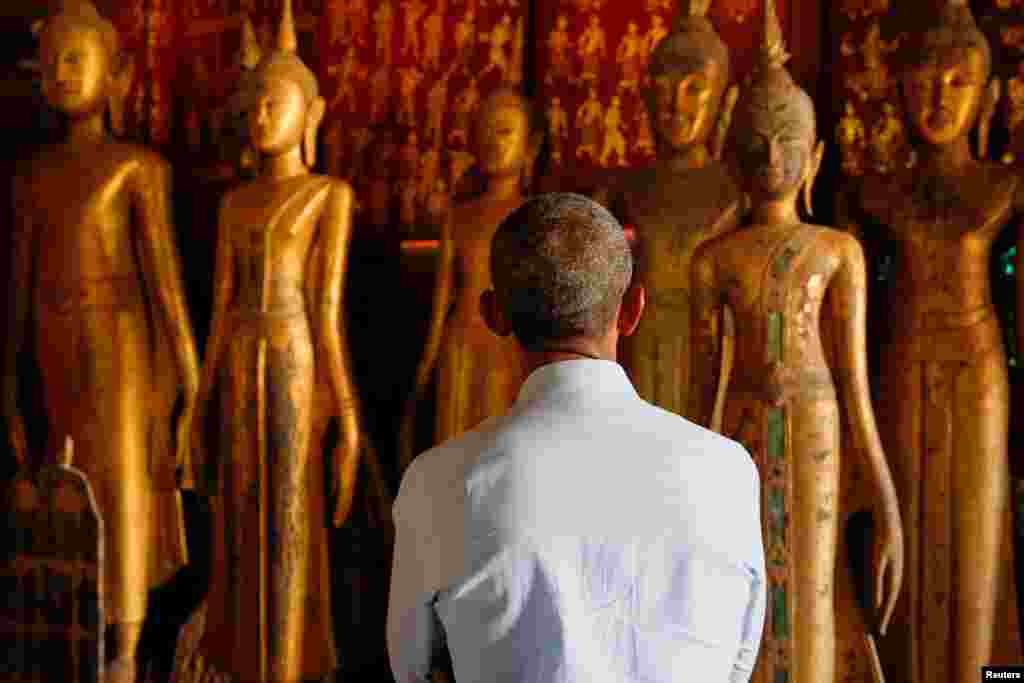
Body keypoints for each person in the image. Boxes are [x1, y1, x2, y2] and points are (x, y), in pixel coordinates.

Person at [387, 193, 766, 683]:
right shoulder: (727, 471)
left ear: (493, 315)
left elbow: (413, 668)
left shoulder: (437, 481)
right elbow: (739, 662)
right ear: (632, 310)